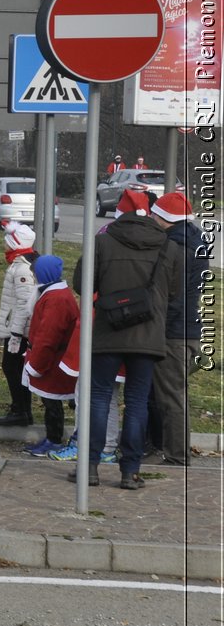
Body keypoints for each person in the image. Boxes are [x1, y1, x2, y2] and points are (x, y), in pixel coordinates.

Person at [70, 188, 183, 488]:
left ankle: (90, 467)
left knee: (98, 399)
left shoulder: (102, 242)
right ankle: (130, 471)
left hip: (108, 333)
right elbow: (174, 292)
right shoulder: (168, 247)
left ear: (118, 214)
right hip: (148, 337)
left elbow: (82, 284)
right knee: (137, 402)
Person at [148, 192, 209, 466]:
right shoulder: (195, 241)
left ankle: (176, 455)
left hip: (174, 331)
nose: (151, 218)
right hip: (189, 328)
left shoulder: (174, 247)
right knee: (174, 393)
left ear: (165, 219)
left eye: (155, 215)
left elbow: (168, 294)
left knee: (172, 397)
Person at [21, 255, 78, 456]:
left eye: (35, 273)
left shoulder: (56, 299)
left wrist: (36, 364)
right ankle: (53, 438)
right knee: (50, 402)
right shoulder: (55, 294)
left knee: (52, 402)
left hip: (53, 361)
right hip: (53, 359)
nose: (33, 277)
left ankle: (54, 440)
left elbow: (48, 335)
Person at [0, 222, 39, 426]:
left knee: (12, 367)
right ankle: (21, 409)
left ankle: (20, 410)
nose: (4, 246)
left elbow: (23, 303)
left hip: (20, 331)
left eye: (7, 242)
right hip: (18, 329)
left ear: (15, 244)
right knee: (14, 368)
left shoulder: (22, 269)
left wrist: (16, 333)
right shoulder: (20, 264)